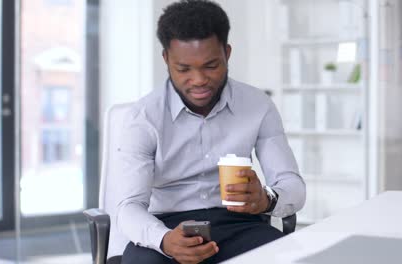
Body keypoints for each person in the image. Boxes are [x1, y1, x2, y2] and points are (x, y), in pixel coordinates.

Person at [117, 0, 306, 263]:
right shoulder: (143, 118)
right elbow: (128, 207)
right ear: (166, 59)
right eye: (183, 69)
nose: (198, 80)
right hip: (168, 228)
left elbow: (293, 187)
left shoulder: (257, 105)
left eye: (210, 66)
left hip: (240, 225)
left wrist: (267, 199)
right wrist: (164, 240)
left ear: (227, 54)